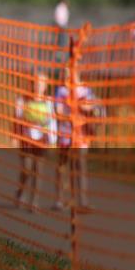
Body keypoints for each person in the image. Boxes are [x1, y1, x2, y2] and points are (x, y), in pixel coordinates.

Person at [53, 69, 104, 211]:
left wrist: (83, 106)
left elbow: (93, 105)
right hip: (65, 133)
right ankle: (59, 199)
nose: (68, 76)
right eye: (66, 73)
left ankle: (83, 201)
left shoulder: (85, 90)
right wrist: (70, 111)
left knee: (80, 165)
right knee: (62, 165)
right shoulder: (61, 90)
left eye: (71, 73)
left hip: (81, 134)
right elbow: (58, 111)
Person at [13, 72, 56, 213]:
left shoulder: (49, 102)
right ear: (32, 83)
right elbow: (17, 120)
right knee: (27, 168)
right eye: (36, 82)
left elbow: (52, 122)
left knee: (38, 170)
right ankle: (20, 191)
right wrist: (14, 136)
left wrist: (52, 140)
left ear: (45, 85)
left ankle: (34, 201)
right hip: (26, 139)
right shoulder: (22, 100)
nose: (39, 86)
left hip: (42, 139)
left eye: (42, 83)